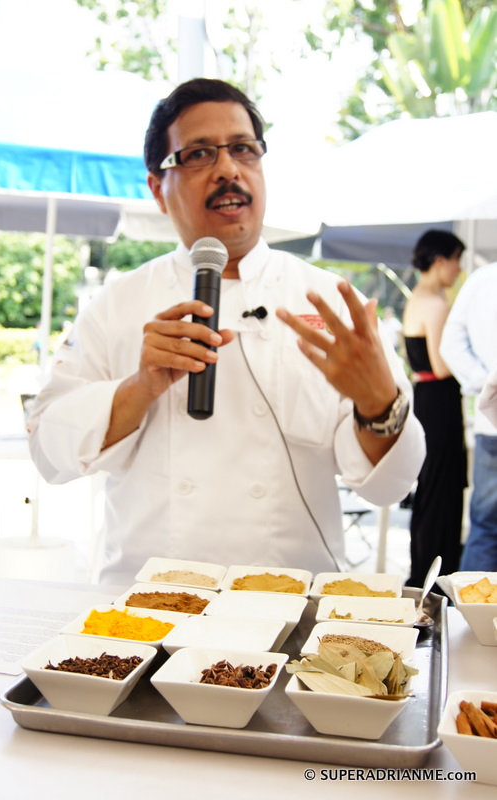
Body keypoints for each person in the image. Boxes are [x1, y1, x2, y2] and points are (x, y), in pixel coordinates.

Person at [28, 78, 425, 585]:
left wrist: (379, 407)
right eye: (197, 155)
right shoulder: (118, 304)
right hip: (147, 616)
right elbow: (47, 452)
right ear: (157, 187)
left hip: (287, 614)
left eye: (243, 149)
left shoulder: (330, 302)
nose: (228, 169)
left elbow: (389, 486)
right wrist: (140, 387)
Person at [402, 229, 467, 588]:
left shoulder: (417, 298)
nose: (458, 269)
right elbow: (444, 365)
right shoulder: (437, 304)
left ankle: (423, 570)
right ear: (440, 260)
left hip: (425, 398)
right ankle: (439, 577)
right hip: (440, 400)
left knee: (430, 487)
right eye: (456, 259)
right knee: (442, 489)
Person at [440, 262, 497, 572]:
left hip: (491, 423)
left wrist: (485, 382)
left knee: (486, 528)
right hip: (490, 425)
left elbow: (450, 344)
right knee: (486, 527)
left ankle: (472, 619)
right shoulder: (482, 278)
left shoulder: (482, 279)